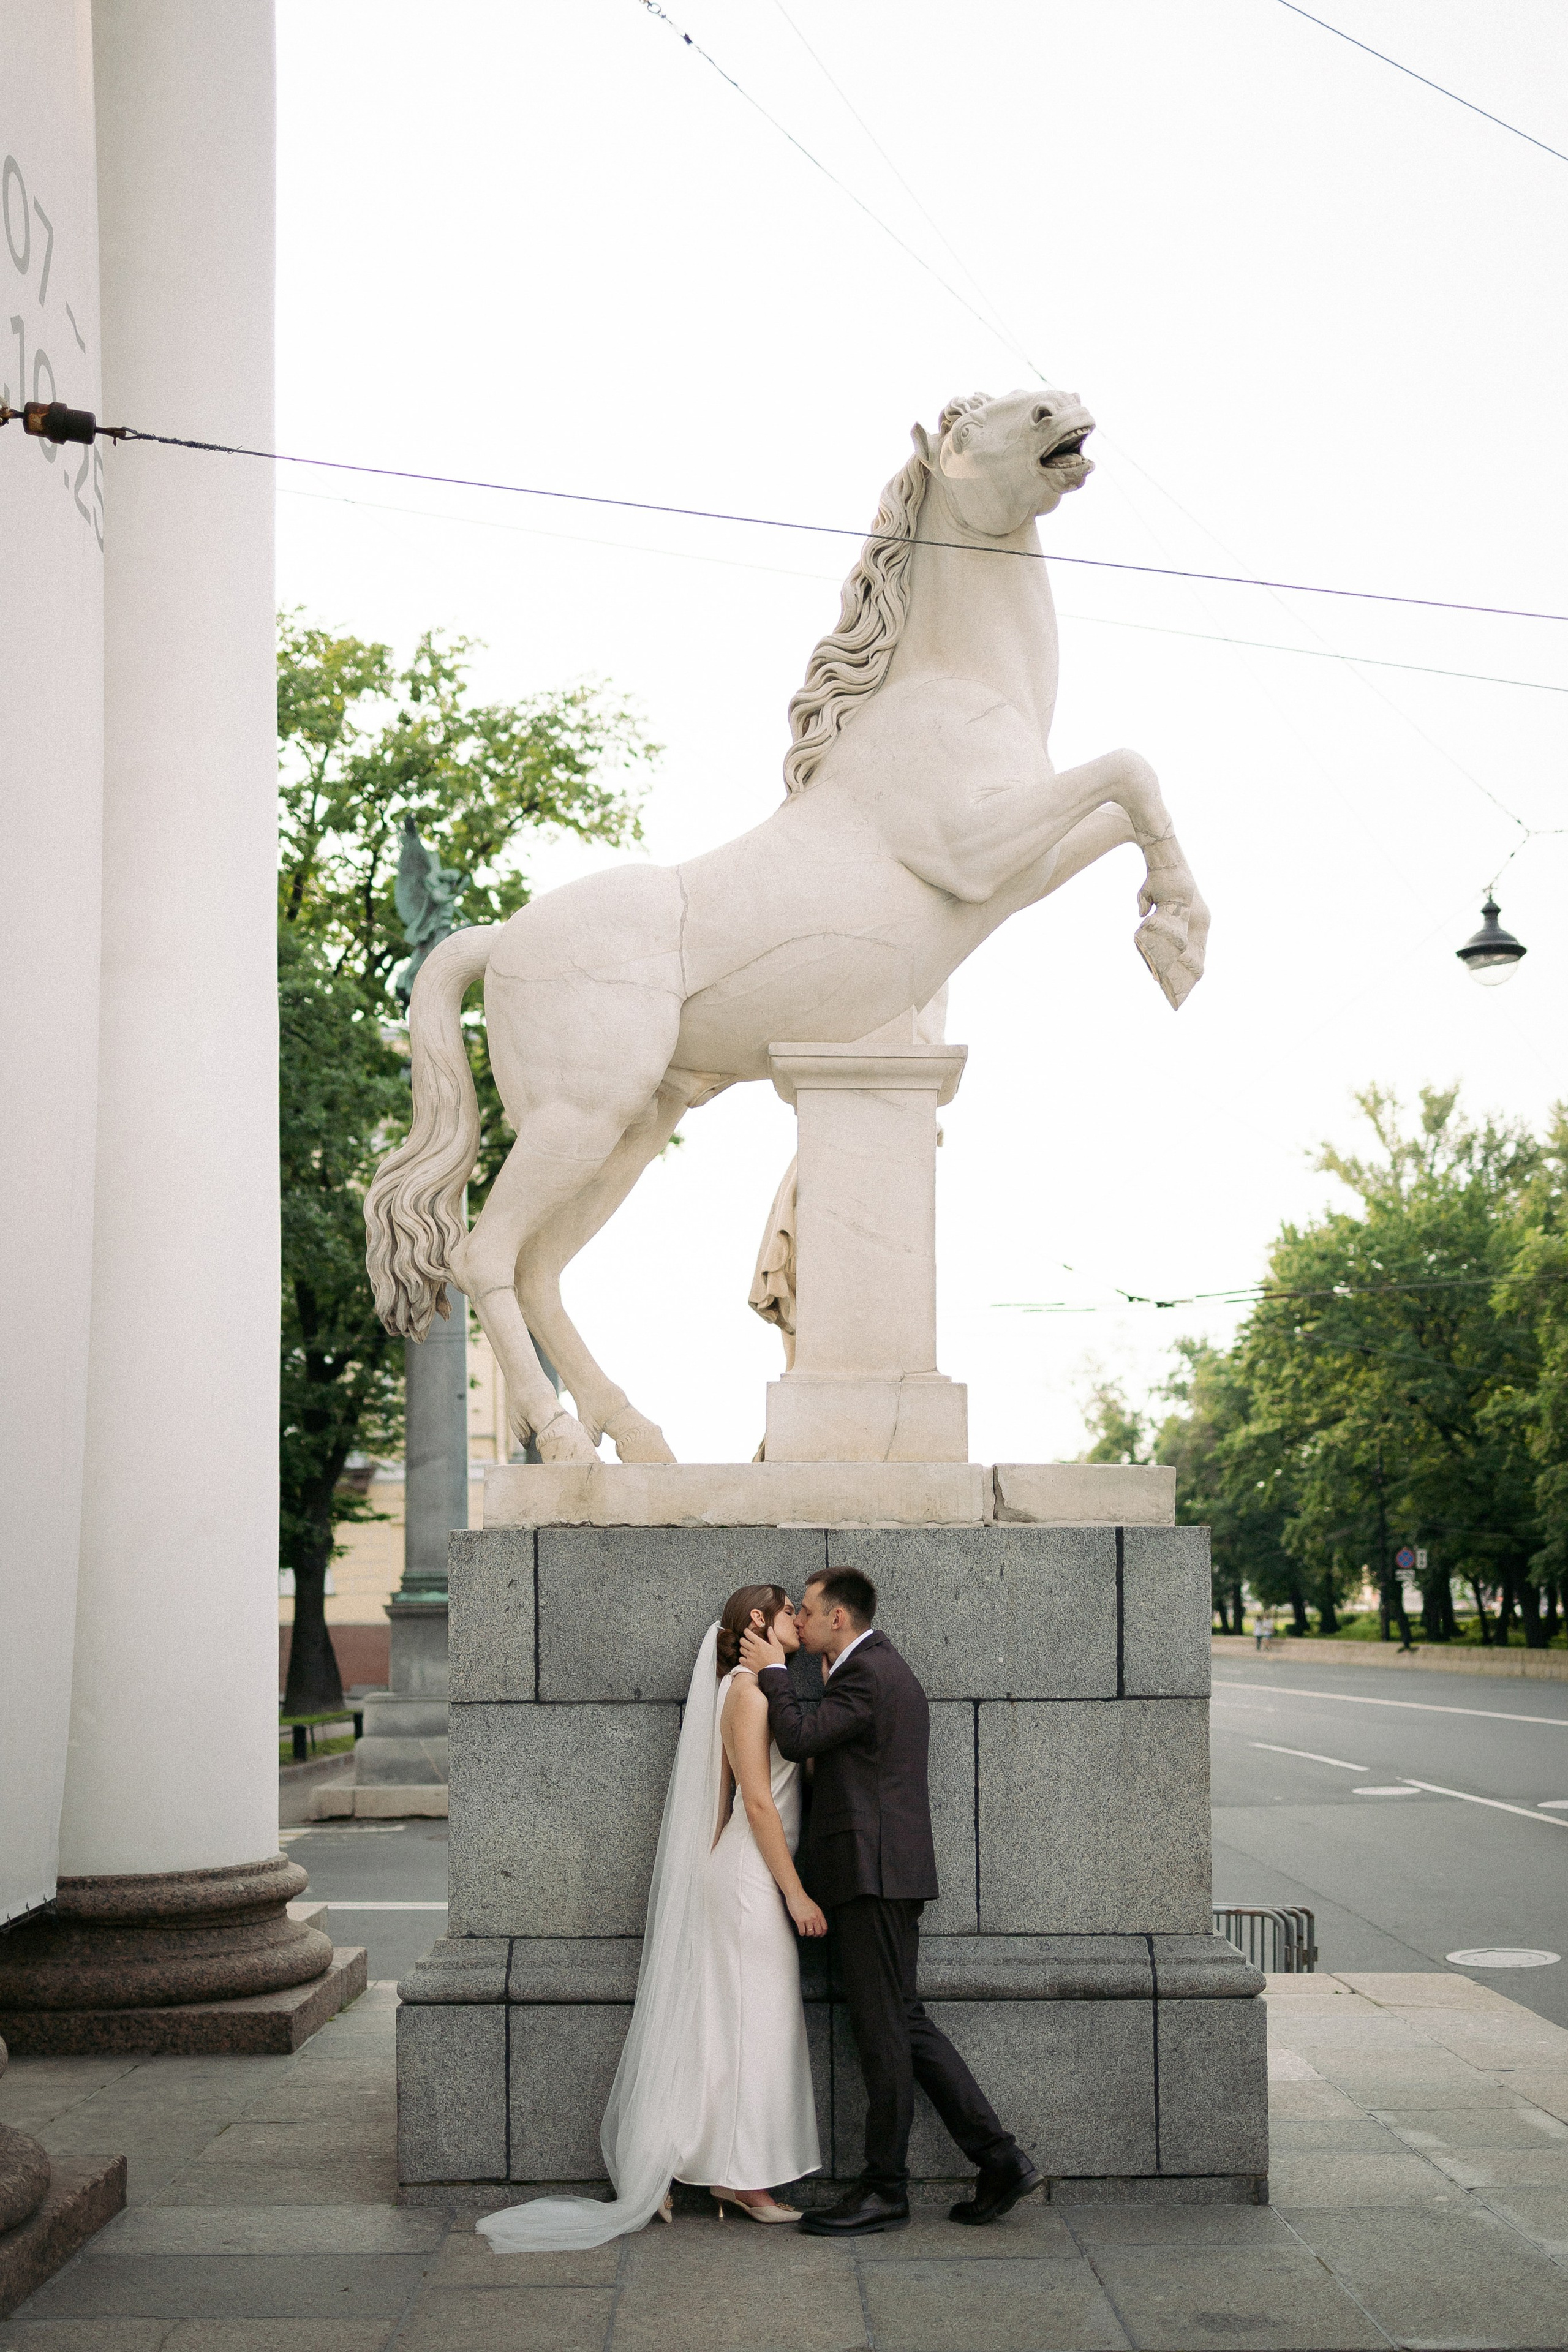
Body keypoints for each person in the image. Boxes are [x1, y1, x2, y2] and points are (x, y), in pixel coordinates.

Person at [477, 1585, 825, 2252]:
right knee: (757, 2027)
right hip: (755, 1880)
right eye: (789, 1613)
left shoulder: (745, 1691)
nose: (797, 1623)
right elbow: (756, 1805)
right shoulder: (750, 1695)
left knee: (733, 2029)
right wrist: (795, 1893)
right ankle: (741, 2179)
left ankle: (694, 2167)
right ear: (759, 1619)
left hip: (743, 1875)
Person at [741, 1567, 1039, 2237]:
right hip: (882, 1875)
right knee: (903, 2024)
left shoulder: (867, 1673)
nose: (801, 1622)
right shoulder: (873, 1668)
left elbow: (798, 1738)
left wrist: (772, 1672)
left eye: (808, 1612)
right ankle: (999, 2160)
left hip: (871, 1878)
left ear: (837, 1619)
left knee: (885, 2036)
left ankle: (886, 2189)